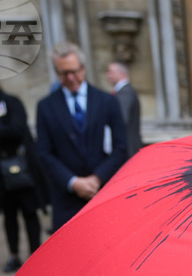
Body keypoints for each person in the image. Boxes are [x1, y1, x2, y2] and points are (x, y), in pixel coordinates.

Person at [36, 42, 128, 231]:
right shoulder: (46, 106)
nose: (70, 78)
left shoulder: (107, 102)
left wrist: (97, 179)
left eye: (74, 71)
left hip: (102, 193)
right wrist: (73, 182)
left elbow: (121, 147)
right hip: (66, 198)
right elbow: (44, 153)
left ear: (84, 68)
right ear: (56, 72)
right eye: (63, 73)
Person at [0, 74, 49, 272]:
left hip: (21, 167)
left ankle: (36, 254)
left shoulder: (11, 103)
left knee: (30, 212)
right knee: (9, 214)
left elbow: (18, 130)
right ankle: (13, 255)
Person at [105, 61, 143, 159]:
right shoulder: (122, 92)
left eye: (111, 72)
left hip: (127, 149)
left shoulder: (125, 92)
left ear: (122, 74)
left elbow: (121, 119)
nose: (108, 76)